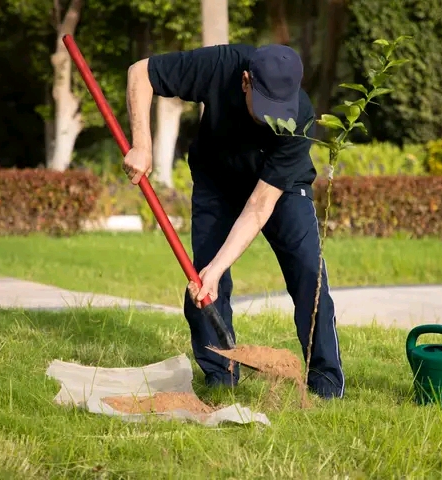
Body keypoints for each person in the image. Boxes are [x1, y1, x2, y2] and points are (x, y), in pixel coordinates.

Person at [123, 42, 344, 399]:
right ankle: (220, 376)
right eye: (268, 106)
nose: (276, 118)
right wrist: (142, 144)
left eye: (282, 107)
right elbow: (141, 72)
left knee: (308, 269)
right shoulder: (219, 65)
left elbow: (259, 205)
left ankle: (327, 380)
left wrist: (217, 266)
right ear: (245, 81)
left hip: (279, 187)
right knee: (206, 278)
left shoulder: (299, 115)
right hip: (217, 180)